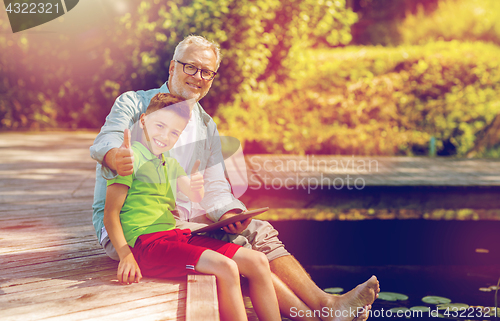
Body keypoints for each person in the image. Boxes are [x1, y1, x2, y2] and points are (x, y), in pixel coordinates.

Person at [90, 35, 379, 321]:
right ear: (172, 67)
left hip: (179, 222)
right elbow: (107, 140)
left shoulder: (206, 125)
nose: (197, 77)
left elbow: (216, 186)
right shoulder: (136, 104)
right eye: (190, 67)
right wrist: (118, 157)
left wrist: (231, 212)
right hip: (138, 229)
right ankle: (321, 313)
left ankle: (325, 306)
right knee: (245, 246)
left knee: (256, 229)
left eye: (206, 72)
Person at [103, 92, 281, 321]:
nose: (165, 136)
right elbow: (110, 214)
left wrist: (197, 185)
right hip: (146, 245)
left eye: (174, 132)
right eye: (160, 125)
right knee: (226, 267)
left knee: (257, 260)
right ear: (144, 120)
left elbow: (194, 193)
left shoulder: (168, 160)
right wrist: (126, 255)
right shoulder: (129, 158)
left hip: (175, 236)